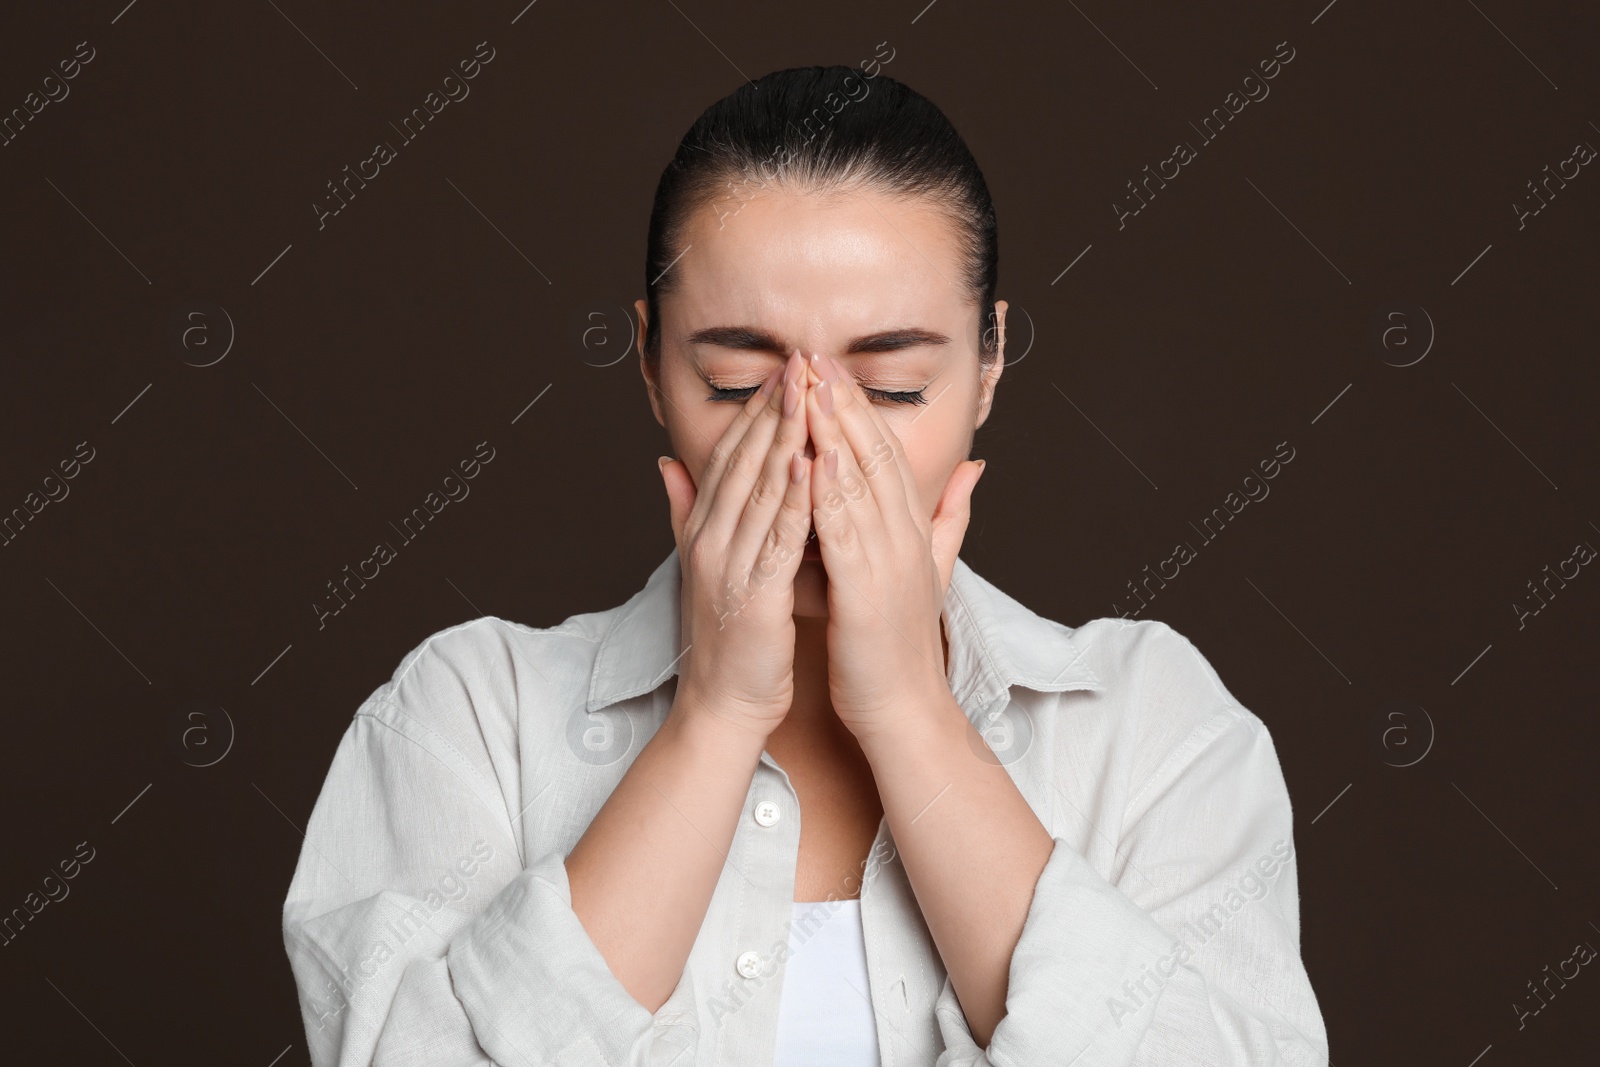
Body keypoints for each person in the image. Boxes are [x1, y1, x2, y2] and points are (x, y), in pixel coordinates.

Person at [281, 64, 1329, 1066]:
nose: (815, 448)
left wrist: (914, 714)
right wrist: (714, 716)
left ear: (989, 362)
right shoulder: (466, 720)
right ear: (649, 363)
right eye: (737, 384)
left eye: (895, 387)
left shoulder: (1153, 729)